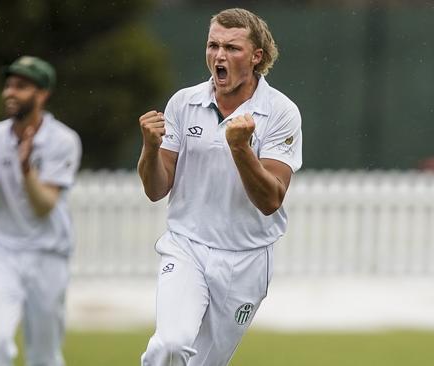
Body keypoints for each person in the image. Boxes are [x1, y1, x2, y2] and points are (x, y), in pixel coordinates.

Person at [137, 8, 302, 366]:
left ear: (257, 57)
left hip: (247, 259)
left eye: (232, 48)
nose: (219, 56)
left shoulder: (281, 112)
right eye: (213, 45)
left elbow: (271, 199)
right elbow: (155, 189)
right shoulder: (184, 102)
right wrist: (150, 148)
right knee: (171, 345)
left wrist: (241, 148)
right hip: (187, 246)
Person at [0, 55, 82, 366]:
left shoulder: (63, 140)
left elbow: (44, 205)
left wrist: (25, 168)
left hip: (48, 254)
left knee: (44, 356)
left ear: (42, 94)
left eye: (21, 86)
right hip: (2, 252)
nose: (10, 92)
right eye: (9, 85)